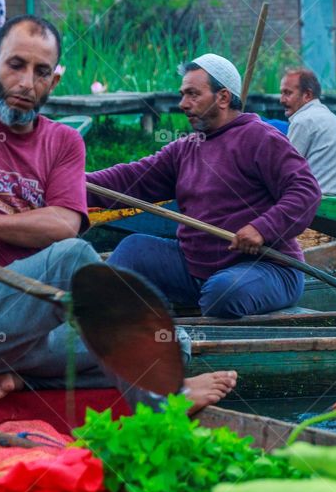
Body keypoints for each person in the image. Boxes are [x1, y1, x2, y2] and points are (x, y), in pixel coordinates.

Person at [0, 15, 236, 409]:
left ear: (53, 82)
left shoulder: (63, 142)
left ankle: (24, 377)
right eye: (15, 65)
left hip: (27, 328)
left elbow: (63, 225)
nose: (26, 83)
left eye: (41, 72)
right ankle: (165, 399)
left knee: (170, 344)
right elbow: (68, 248)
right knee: (75, 260)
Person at [88, 54, 322, 318]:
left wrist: (262, 228)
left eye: (193, 95)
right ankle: (139, 324)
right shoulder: (184, 149)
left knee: (222, 291)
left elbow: (305, 191)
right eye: (182, 94)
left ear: (222, 97)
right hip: (196, 268)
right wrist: (70, 183)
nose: (183, 104)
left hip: (268, 268)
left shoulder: (261, 138)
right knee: (133, 250)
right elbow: (129, 180)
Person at [279, 68, 336, 198]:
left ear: (307, 95)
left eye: (287, 93)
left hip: (325, 200)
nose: (282, 100)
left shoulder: (303, 120)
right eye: (281, 93)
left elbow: (285, 171)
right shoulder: (328, 116)